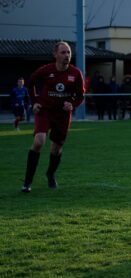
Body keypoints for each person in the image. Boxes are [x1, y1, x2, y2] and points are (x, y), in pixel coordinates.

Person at [21, 41, 85, 193]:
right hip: (45, 111)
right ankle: (27, 181)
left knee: (56, 149)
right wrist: (35, 101)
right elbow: (30, 83)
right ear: (55, 54)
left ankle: (50, 174)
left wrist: (72, 104)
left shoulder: (75, 73)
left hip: (62, 115)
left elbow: (81, 96)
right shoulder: (46, 70)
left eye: (68, 52)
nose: (67, 55)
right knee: (39, 141)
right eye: (63, 52)